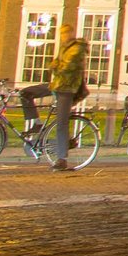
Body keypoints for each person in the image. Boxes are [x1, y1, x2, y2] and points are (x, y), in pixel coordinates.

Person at [16, 36, 90, 170]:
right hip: (56, 85)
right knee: (25, 93)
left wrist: (56, 66)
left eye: (65, 33)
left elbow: (64, 67)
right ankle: (37, 123)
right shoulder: (64, 48)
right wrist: (56, 65)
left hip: (67, 90)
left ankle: (62, 159)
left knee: (61, 123)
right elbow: (56, 65)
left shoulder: (77, 50)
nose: (62, 36)